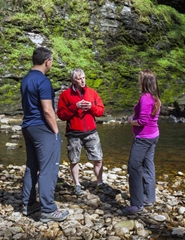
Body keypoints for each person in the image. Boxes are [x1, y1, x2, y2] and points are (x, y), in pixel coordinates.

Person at [20, 46, 69, 222]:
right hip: (42, 128)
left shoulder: (25, 79)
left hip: (28, 127)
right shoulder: (43, 81)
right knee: (49, 168)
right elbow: (48, 110)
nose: (52, 64)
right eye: (52, 61)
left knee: (32, 166)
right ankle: (48, 209)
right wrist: (56, 131)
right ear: (47, 61)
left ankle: (28, 204)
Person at [57, 68, 114, 196]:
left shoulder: (92, 93)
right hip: (73, 133)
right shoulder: (65, 95)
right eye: (79, 78)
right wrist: (74, 107)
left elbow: (100, 111)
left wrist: (91, 107)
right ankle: (77, 185)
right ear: (72, 80)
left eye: (83, 78)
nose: (82, 81)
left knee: (98, 158)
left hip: (91, 132)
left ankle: (100, 184)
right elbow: (61, 115)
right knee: (74, 160)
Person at [123, 69, 162, 215]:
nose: (138, 82)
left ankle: (137, 204)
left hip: (143, 138)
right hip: (153, 135)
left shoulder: (145, 98)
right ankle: (149, 198)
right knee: (148, 165)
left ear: (145, 82)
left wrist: (131, 121)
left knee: (133, 167)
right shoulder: (155, 97)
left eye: (140, 79)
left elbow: (142, 121)